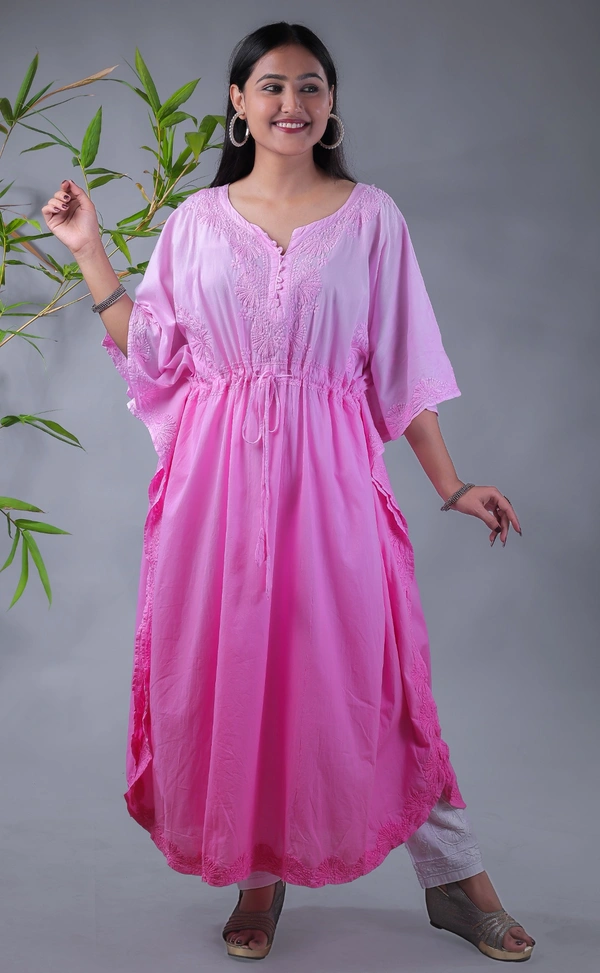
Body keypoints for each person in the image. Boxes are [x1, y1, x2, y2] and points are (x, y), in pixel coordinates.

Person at [42, 20, 536, 965]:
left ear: (331, 103)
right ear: (238, 102)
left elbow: (403, 368)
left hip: (332, 486)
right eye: (271, 85)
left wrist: (452, 483)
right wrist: (89, 246)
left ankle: (457, 880)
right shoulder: (197, 222)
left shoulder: (371, 219)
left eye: (310, 85)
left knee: (380, 684)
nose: (291, 103)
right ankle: (257, 876)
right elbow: (154, 353)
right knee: (240, 683)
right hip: (214, 496)